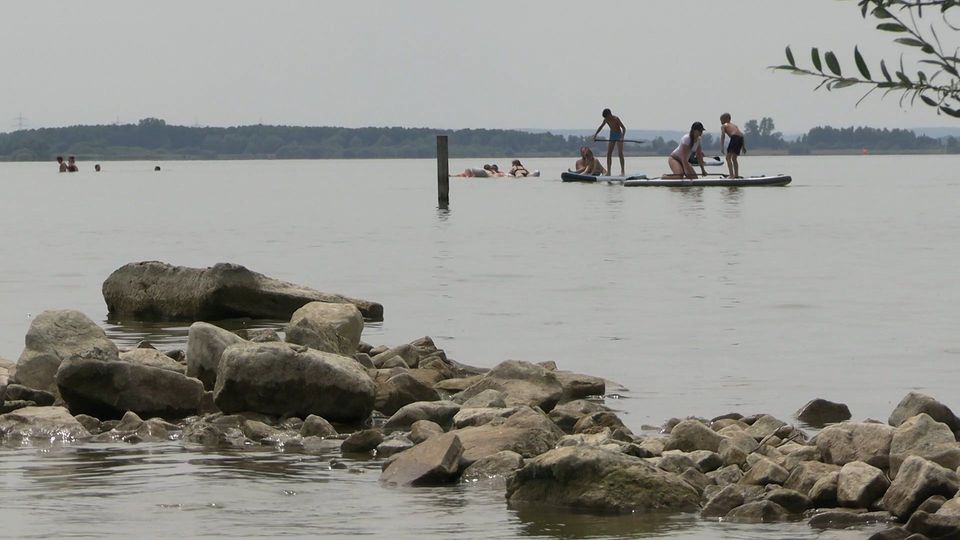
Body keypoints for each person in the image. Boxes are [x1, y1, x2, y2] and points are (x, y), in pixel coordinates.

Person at [592, 108, 626, 176]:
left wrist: (622, 137)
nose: (607, 118)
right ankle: (609, 172)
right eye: (606, 117)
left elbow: (624, 128)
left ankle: (622, 171)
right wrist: (595, 135)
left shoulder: (616, 119)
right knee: (609, 154)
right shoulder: (606, 120)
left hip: (619, 135)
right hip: (612, 135)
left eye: (607, 116)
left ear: (610, 114)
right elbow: (601, 127)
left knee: (620, 154)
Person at [719, 112, 746, 178]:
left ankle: (731, 175)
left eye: (721, 120)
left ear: (726, 119)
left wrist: (722, 147)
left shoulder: (724, 125)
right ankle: (736, 175)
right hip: (740, 138)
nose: (720, 121)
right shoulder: (734, 125)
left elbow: (723, 136)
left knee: (727, 158)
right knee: (734, 158)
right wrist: (743, 146)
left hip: (735, 138)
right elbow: (741, 134)